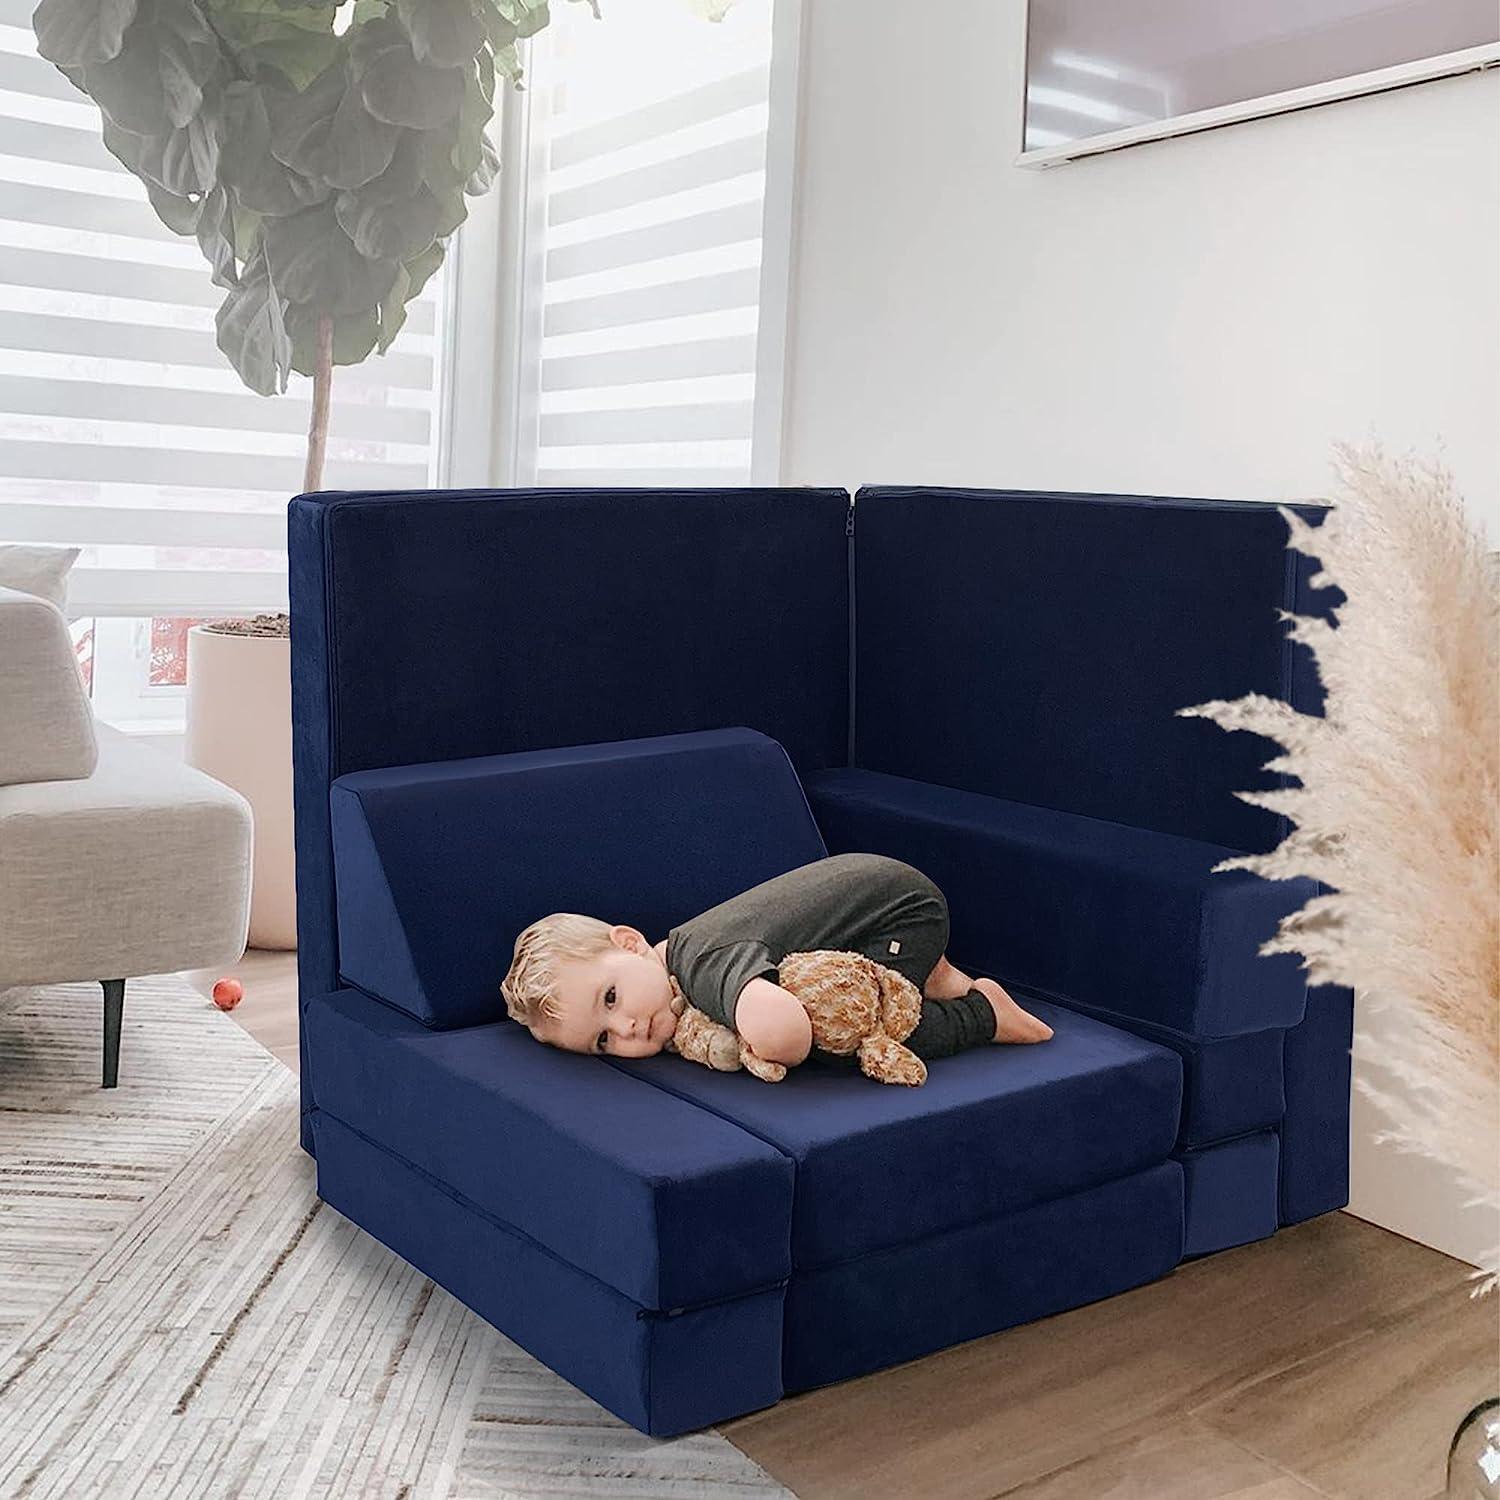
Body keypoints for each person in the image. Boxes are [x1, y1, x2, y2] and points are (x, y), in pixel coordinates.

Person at [500, 851, 1054, 1067]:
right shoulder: (682, 953)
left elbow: (789, 1035)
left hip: (900, 912)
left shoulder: (702, 963)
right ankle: (931, 974)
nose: (626, 1028)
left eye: (612, 998)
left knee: (851, 1039)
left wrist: (748, 1043)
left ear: (629, 943)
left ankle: (985, 1013)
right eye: (603, 1040)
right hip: (873, 900)